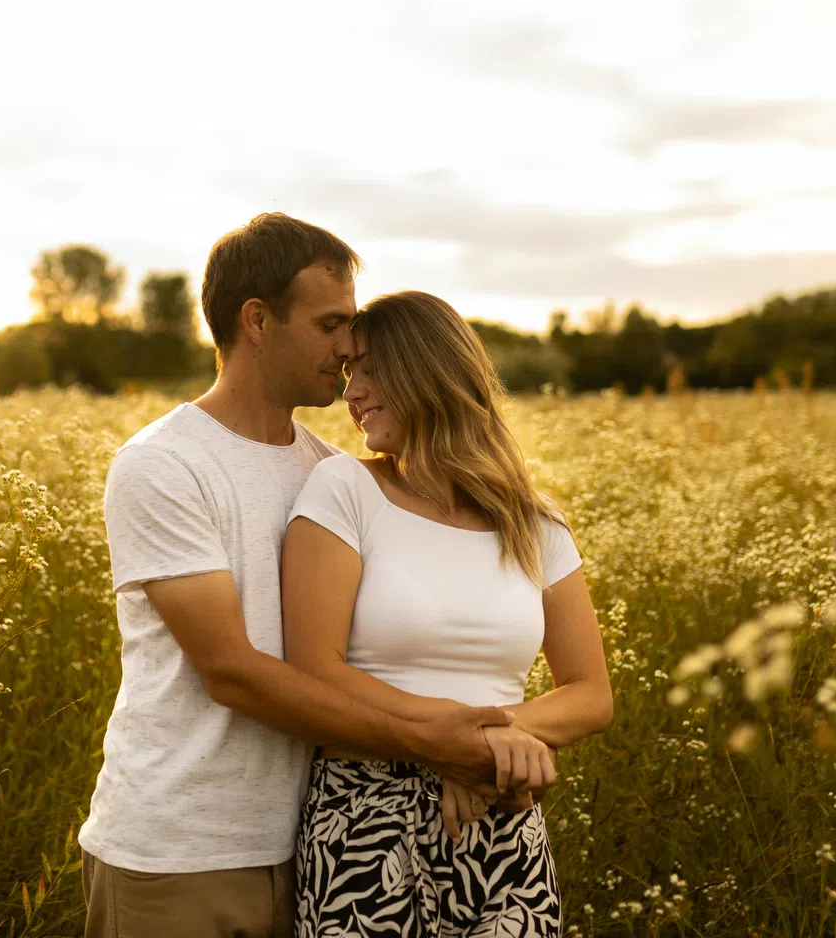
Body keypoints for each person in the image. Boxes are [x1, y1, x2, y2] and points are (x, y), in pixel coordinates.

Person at [77, 217, 534, 938]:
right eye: (330, 324)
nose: (349, 347)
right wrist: (433, 742)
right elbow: (230, 671)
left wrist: (469, 742)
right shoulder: (165, 463)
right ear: (257, 320)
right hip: (182, 851)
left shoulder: (332, 473)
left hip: (314, 843)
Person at [282, 290, 614, 936]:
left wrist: (486, 749)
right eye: (349, 372)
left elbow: (591, 694)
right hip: (366, 825)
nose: (353, 392)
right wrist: (463, 743)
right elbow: (313, 669)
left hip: (501, 823)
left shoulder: (534, 522)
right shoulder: (344, 490)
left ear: (427, 370)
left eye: (370, 369)